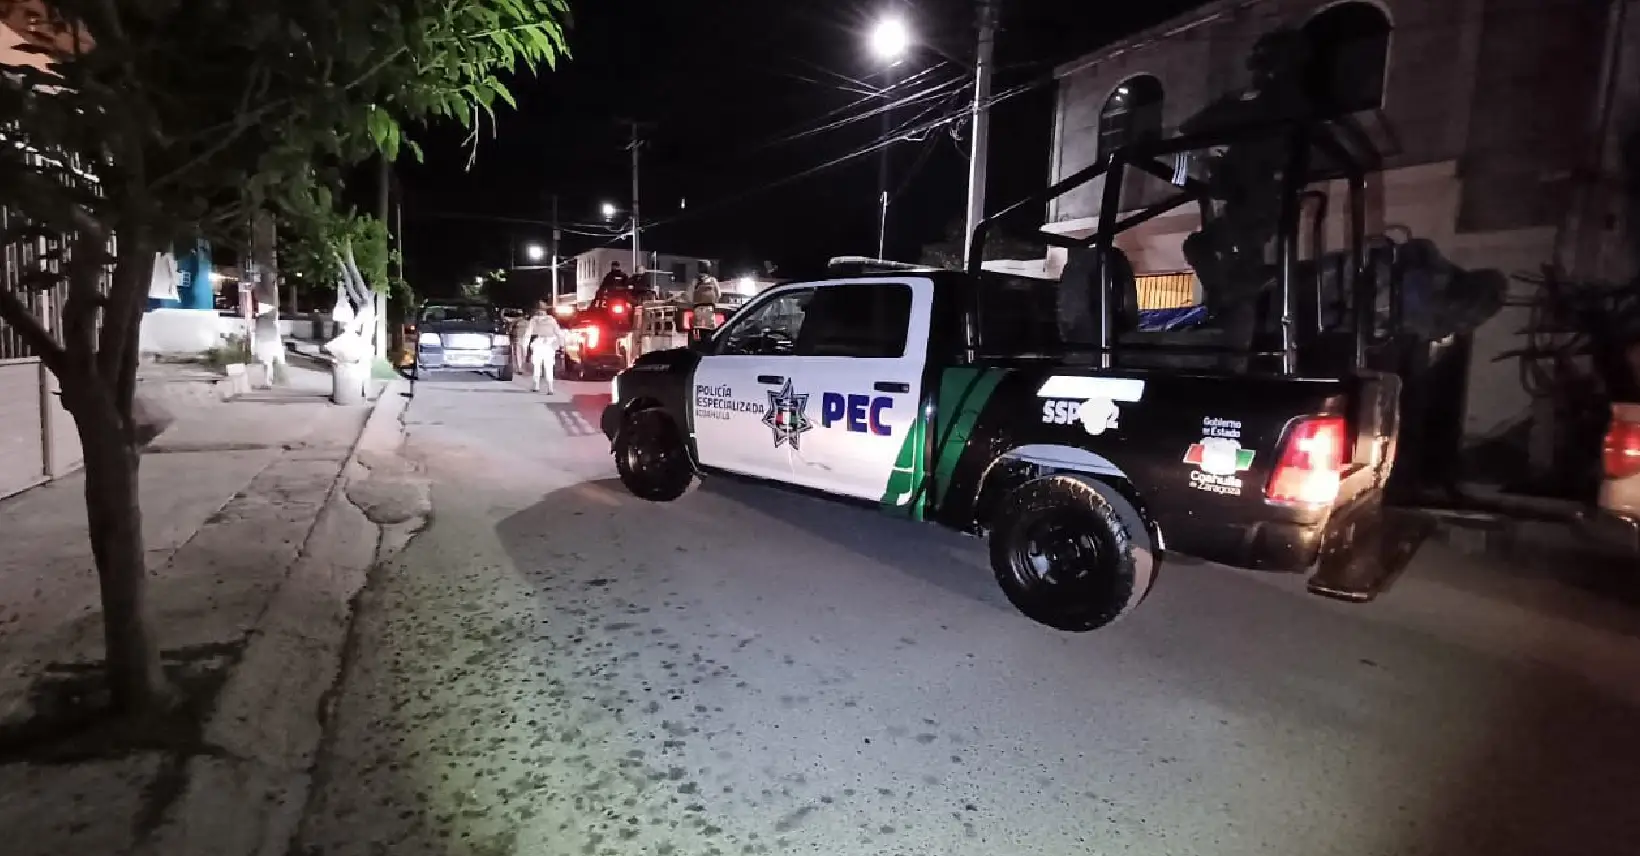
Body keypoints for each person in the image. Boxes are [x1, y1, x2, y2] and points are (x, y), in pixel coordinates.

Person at [521, 300, 562, 393]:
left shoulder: (534, 320)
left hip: (538, 344)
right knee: (549, 366)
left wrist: (525, 346)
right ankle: (550, 387)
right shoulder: (552, 320)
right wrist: (560, 345)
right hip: (549, 344)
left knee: (537, 366)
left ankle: (536, 386)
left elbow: (528, 333)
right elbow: (559, 333)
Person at [691, 265, 722, 332]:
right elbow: (718, 294)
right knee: (711, 327)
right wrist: (715, 302)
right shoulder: (713, 280)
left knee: (697, 328)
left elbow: (690, 294)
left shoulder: (695, 281)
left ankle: (699, 338)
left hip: (698, 307)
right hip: (709, 307)